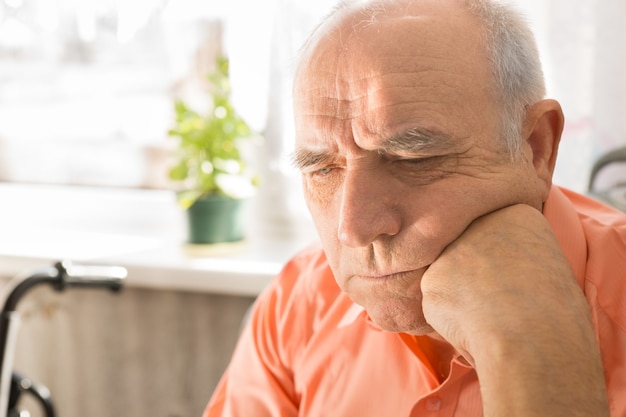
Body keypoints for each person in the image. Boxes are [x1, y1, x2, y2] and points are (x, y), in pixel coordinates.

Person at [204, 0, 626, 415]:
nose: (353, 228)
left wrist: (531, 345)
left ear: (537, 148)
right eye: (322, 170)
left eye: (413, 159)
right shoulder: (299, 299)